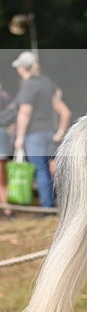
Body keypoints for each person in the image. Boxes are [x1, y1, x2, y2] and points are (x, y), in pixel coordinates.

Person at [12, 51, 72, 210]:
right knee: (51, 168)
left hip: (34, 135)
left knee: (41, 169)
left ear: (23, 68)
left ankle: (47, 206)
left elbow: (24, 114)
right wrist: (60, 131)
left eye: (18, 67)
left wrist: (19, 137)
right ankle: (57, 202)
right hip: (49, 132)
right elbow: (64, 109)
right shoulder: (47, 82)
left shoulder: (29, 86)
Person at [0, 83, 14, 216]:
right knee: (2, 177)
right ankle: (6, 208)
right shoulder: (4, 96)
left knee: (2, 177)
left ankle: (6, 208)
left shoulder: (4, 96)